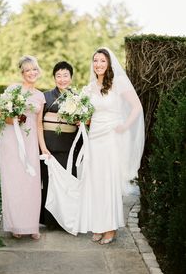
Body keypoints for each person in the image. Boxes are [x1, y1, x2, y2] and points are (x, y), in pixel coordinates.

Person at [41, 47, 144, 243]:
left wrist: (124, 126)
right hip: (94, 137)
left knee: (108, 181)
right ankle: (98, 225)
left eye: (102, 61)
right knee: (94, 182)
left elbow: (137, 107)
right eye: (95, 61)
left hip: (112, 137)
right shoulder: (89, 87)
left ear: (109, 63)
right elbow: (87, 115)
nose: (98, 64)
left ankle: (110, 228)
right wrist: (82, 120)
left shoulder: (119, 83)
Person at [0, 55, 49, 239]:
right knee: (14, 183)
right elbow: (2, 115)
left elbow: (39, 125)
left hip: (29, 144)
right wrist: (15, 118)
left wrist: (43, 148)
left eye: (34, 69)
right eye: (28, 70)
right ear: (22, 73)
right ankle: (16, 226)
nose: (32, 73)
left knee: (31, 183)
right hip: (11, 142)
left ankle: (31, 225)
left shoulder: (40, 96)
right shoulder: (13, 89)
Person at [40, 61, 81, 229]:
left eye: (66, 75)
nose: (62, 79)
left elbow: (85, 123)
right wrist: (42, 146)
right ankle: (49, 221)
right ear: (54, 78)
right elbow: (38, 122)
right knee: (48, 183)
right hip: (48, 147)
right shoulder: (46, 96)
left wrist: (81, 122)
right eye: (59, 76)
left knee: (66, 185)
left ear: (71, 77)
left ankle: (66, 220)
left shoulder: (78, 98)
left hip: (68, 148)